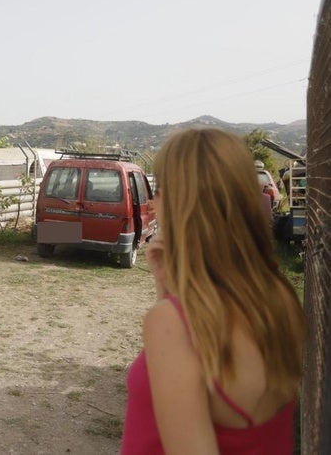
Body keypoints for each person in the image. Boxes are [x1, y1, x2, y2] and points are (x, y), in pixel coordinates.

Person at [120, 128, 305, 454]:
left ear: (184, 204)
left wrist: (169, 310)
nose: (153, 202)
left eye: (161, 190)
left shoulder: (173, 325)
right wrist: (167, 288)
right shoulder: (280, 298)